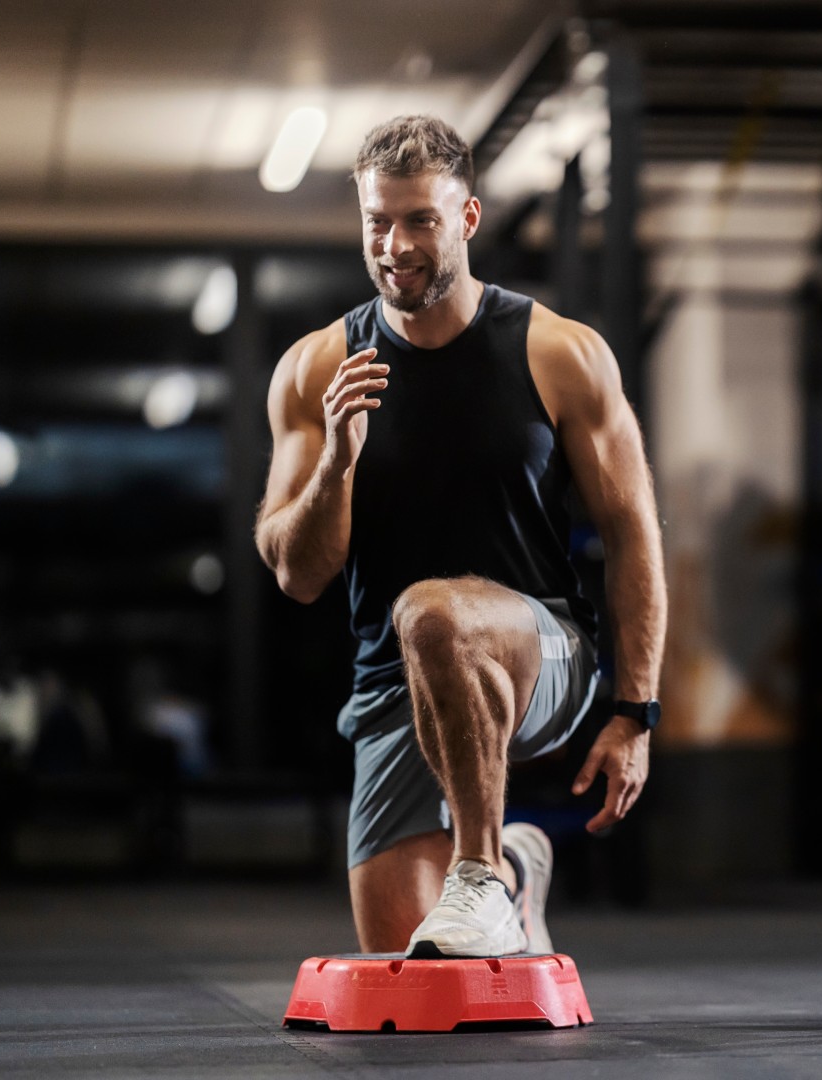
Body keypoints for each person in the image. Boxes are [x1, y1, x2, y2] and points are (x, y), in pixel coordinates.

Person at [255, 115, 667, 958]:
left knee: (436, 614)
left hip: (544, 656)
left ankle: (478, 868)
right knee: (413, 969)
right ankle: (514, 869)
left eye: (420, 221)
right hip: (394, 685)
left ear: (468, 220)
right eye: (378, 222)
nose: (395, 245)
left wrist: (636, 713)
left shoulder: (560, 354)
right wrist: (335, 463)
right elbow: (298, 574)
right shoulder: (315, 370)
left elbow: (633, 536)